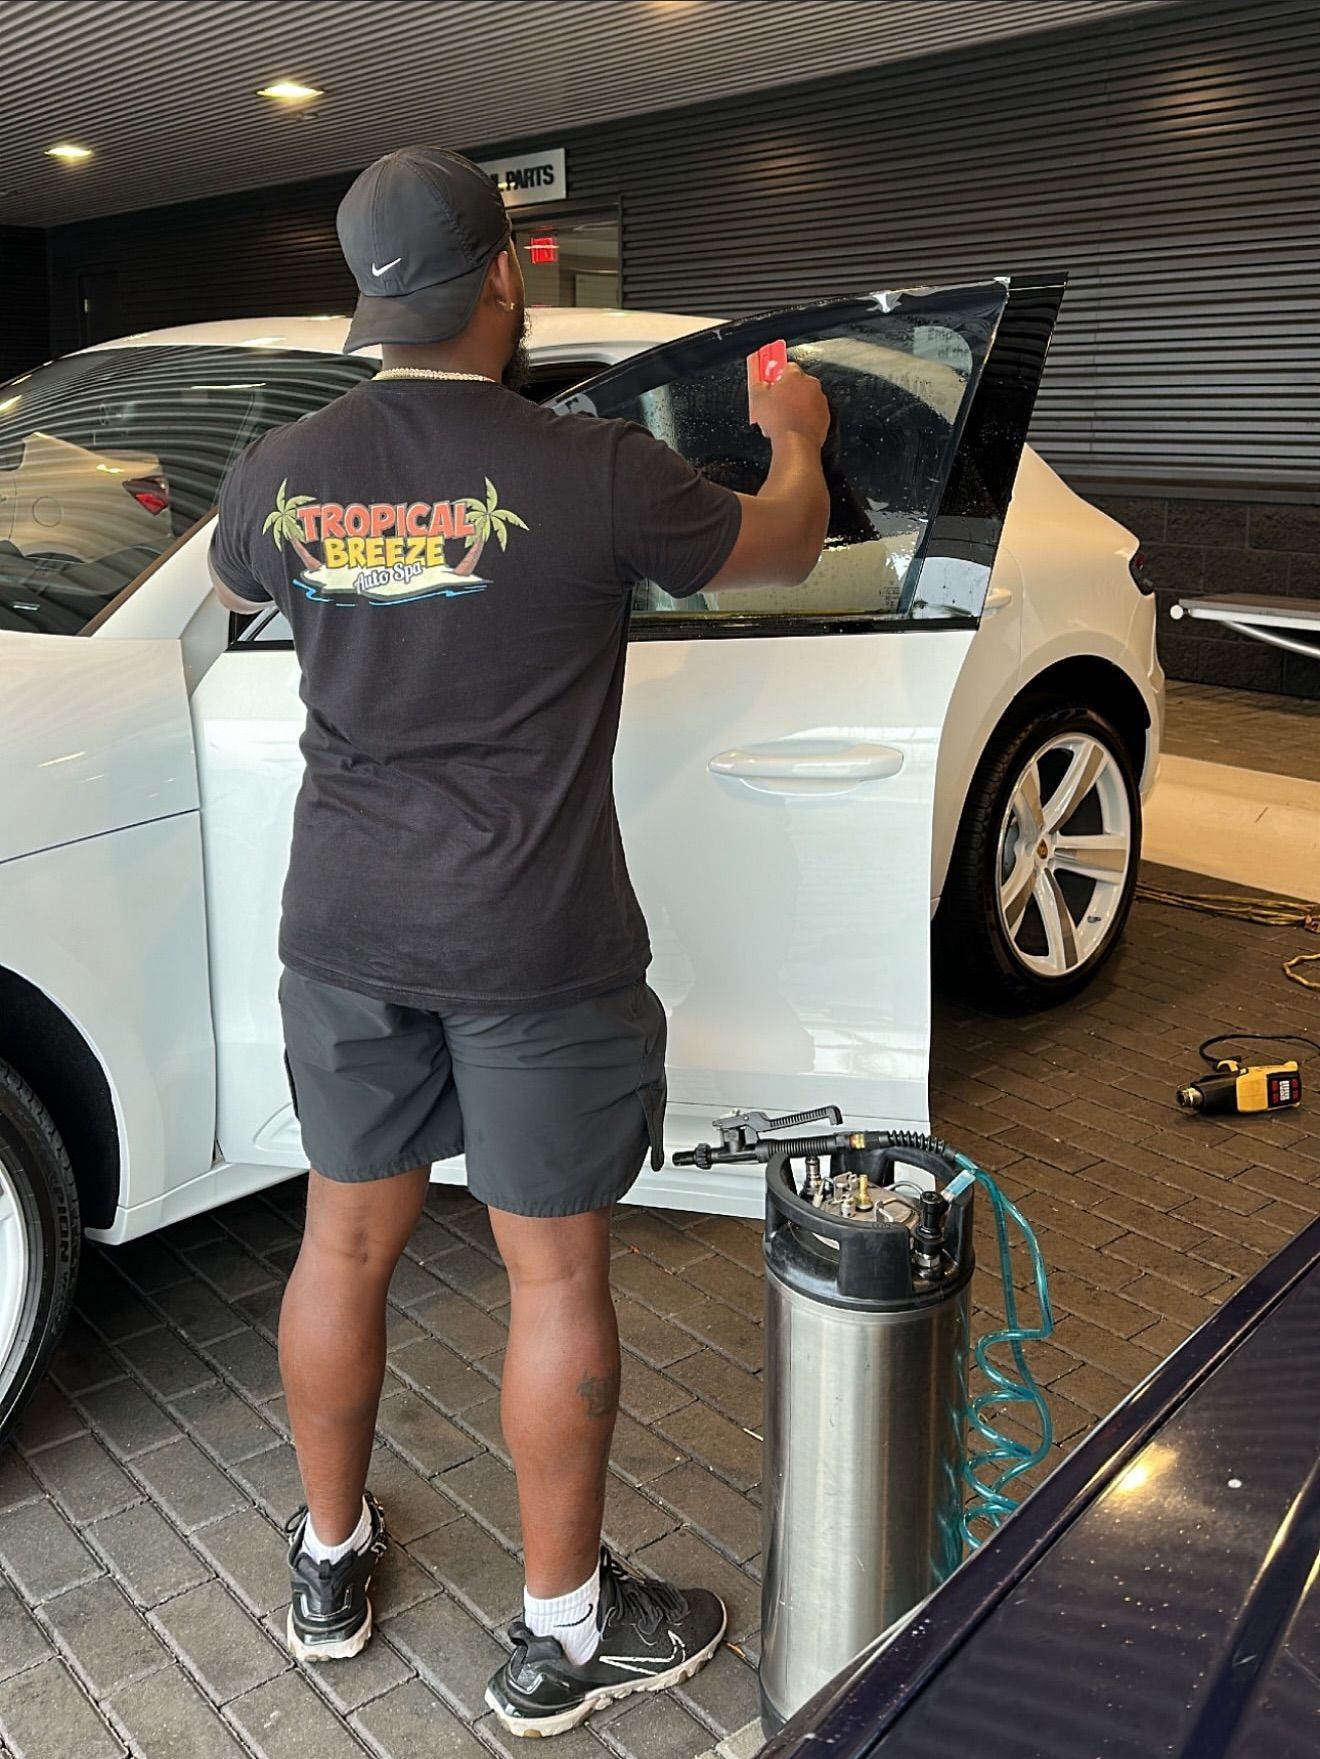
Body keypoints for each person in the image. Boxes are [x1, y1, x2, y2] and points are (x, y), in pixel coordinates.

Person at [209, 144, 830, 1737]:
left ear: (368, 296)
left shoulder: (276, 472)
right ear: (507, 276)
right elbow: (787, 548)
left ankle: (328, 1562)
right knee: (549, 1266)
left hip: (342, 927)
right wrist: (797, 436)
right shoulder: (598, 469)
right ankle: (562, 1633)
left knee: (342, 1240)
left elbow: (235, 575)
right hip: (532, 940)